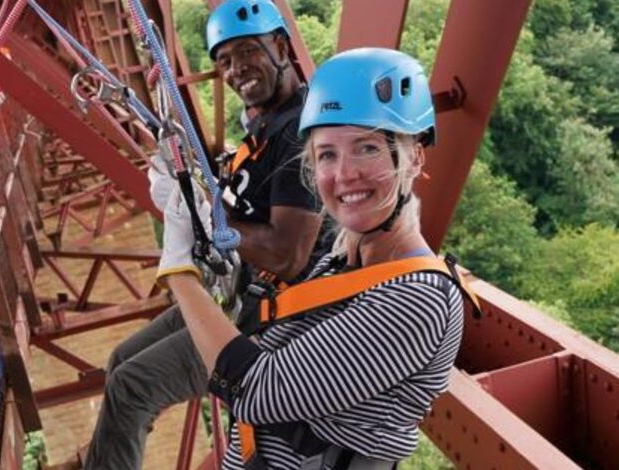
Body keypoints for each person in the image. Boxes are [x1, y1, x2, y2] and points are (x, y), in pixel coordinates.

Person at [156, 47, 477, 469]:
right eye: (327, 154)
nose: (345, 174)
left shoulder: (420, 298)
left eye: (367, 148)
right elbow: (265, 348)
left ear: (415, 156)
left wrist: (180, 270)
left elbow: (258, 390)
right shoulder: (341, 265)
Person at [84, 0, 326, 468]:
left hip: (278, 321)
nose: (237, 70)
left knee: (130, 386)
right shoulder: (265, 128)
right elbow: (245, 208)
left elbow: (286, 253)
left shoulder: (299, 132)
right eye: (225, 61)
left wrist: (205, 216)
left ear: (281, 45)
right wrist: (197, 193)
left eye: (247, 52)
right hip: (244, 294)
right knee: (120, 361)